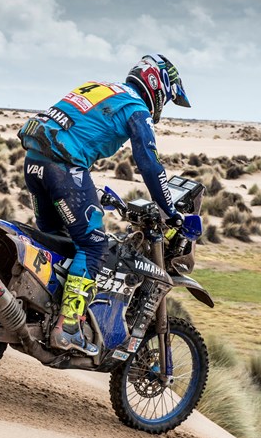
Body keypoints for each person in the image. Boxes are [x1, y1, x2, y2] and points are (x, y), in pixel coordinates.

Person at [17, 54, 191, 356]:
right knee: (93, 245)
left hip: (34, 163)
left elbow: (76, 129)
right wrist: (170, 211)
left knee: (57, 241)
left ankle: (37, 311)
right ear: (157, 85)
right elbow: (150, 164)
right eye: (167, 96)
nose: (164, 103)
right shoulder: (136, 108)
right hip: (62, 168)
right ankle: (68, 326)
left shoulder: (101, 88)